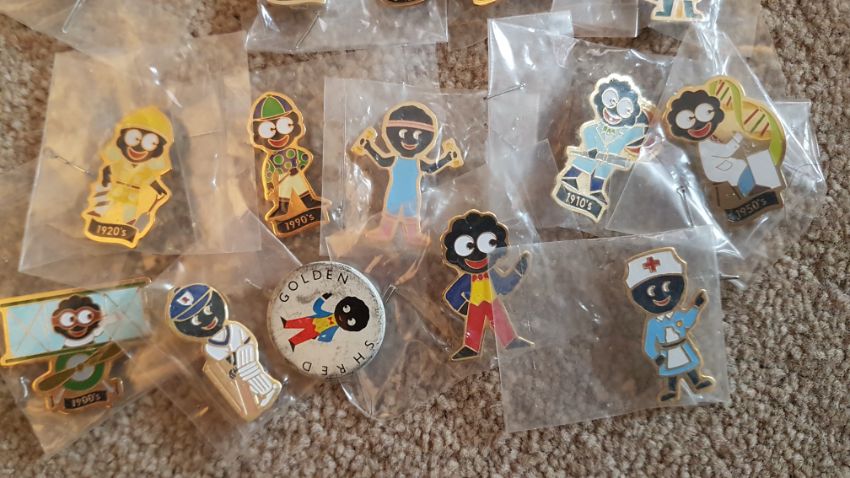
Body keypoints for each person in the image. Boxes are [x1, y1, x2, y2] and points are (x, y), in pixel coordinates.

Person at [625, 248, 715, 402]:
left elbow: (688, 321)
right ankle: (672, 390)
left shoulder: (678, 315)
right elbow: (649, 344)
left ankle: (697, 381)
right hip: (666, 352)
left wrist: (696, 307)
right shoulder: (653, 323)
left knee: (689, 366)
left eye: (667, 287)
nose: (662, 295)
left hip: (682, 346)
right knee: (671, 372)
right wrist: (656, 356)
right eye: (651, 292)